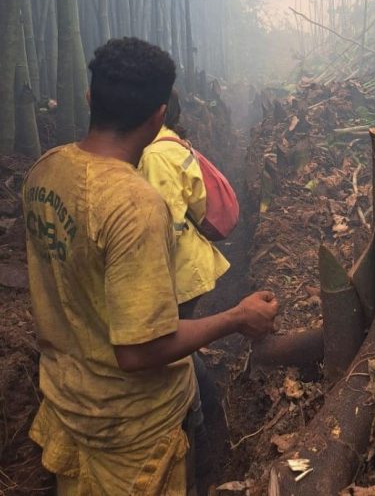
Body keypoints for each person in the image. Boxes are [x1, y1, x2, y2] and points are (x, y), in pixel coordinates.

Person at [22, 37, 278, 495]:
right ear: (160, 116)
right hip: (133, 438)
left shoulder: (45, 171)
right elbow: (139, 351)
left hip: (67, 408)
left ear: (89, 99)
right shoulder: (135, 206)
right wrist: (239, 317)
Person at [138, 89, 233, 492]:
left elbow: (168, 222)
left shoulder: (156, 155)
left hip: (178, 272)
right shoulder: (171, 145)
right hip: (190, 266)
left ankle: (201, 426)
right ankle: (211, 420)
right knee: (181, 348)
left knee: (171, 349)